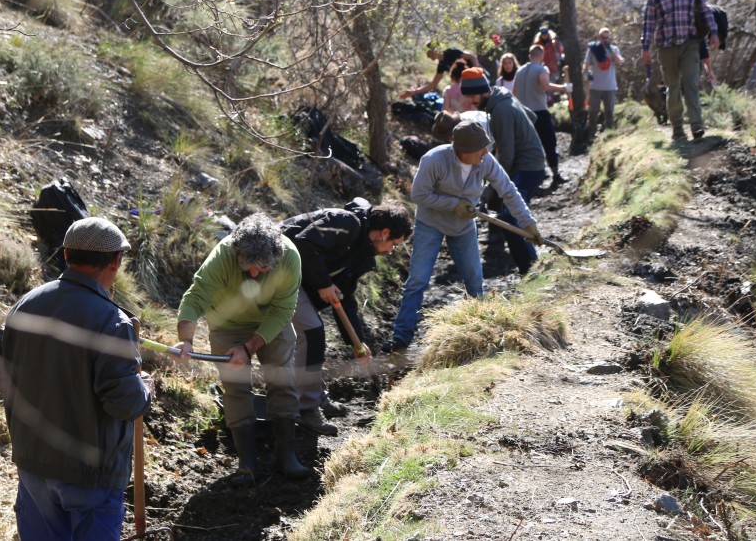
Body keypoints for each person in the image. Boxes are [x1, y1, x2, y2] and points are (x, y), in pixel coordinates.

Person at [0, 217, 152, 541]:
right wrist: (146, 388)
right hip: (90, 477)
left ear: (66, 256)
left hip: (34, 465)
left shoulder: (25, 306)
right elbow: (125, 402)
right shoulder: (112, 321)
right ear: (115, 262)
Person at [174, 213, 310, 486]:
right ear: (236, 252)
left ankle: (286, 456)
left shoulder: (289, 258)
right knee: (235, 387)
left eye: (262, 268)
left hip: (273, 320)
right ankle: (247, 463)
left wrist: (249, 348)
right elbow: (196, 297)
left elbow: (284, 310)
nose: (254, 274)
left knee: (282, 380)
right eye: (247, 266)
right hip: (227, 324)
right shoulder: (222, 256)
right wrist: (186, 340)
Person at [384, 120, 544, 352]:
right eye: (480, 149)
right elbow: (419, 195)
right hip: (431, 223)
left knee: (474, 281)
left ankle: (480, 331)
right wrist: (453, 204)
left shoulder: (485, 161)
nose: (486, 153)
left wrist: (528, 223)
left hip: (463, 226)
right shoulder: (434, 160)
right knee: (418, 280)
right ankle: (401, 338)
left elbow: (507, 190)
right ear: (464, 152)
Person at [282, 201, 412, 436]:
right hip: (278, 268)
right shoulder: (346, 223)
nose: (391, 251)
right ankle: (307, 408)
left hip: (298, 278)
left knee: (314, 334)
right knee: (312, 334)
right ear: (385, 233)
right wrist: (323, 283)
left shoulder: (362, 253)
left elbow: (346, 297)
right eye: (394, 243)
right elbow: (303, 242)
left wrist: (357, 342)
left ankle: (317, 398)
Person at [460, 67, 547, 275]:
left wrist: (491, 188)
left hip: (528, 167)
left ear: (482, 91)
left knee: (509, 218)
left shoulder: (500, 110)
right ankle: (530, 267)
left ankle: (531, 270)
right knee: (510, 216)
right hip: (529, 163)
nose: (471, 101)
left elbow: (506, 156)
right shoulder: (503, 95)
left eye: (473, 96)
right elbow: (531, 117)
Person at [641, 0, 719, 141]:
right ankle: (677, 128)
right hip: (666, 47)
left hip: (690, 43)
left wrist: (713, 32)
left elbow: (704, 11)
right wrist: (645, 48)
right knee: (672, 86)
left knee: (691, 82)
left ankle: (697, 126)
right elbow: (648, 23)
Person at [512, 44, 569, 183]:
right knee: (549, 142)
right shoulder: (541, 69)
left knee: (529, 145)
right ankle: (555, 174)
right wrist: (563, 88)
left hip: (524, 113)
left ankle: (537, 175)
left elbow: (514, 92)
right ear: (542, 56)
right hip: (539, 112)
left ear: (529, 56)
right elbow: (546, 86)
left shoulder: (519, 71)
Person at [582, 27, 624, 138]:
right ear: (598, 37)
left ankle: (609, 133)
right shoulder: (592, 49)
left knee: (609, 111)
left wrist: (610, 51)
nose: (605, 40)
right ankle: (591, 133)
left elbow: (619, 62)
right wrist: (586, 73)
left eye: (607, 38)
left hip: (609, 86)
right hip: (595, 86)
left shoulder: (614, 49)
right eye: (602, 37)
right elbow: (586, 64)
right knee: (593, 111)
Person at [399, 43, 478, 99]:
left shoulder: (450, 52)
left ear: (434, 50)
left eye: (428, 52)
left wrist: (477, 72)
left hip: (476, 77)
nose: (427, 56)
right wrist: (414, 92)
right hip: (467, 83)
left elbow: (471, 57)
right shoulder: (441, 65)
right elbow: (433, 84)